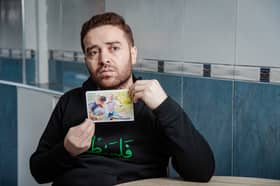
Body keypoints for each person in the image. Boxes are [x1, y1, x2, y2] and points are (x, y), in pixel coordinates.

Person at [30, 12, 215, 186]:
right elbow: (38, 172)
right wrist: (66, 150)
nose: (104, 59)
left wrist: (165, 106)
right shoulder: (69, 102)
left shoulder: (156, 106)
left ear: (133, 54)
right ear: (86, 59)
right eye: (93, 52)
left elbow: (201, 171)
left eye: (114, 48)